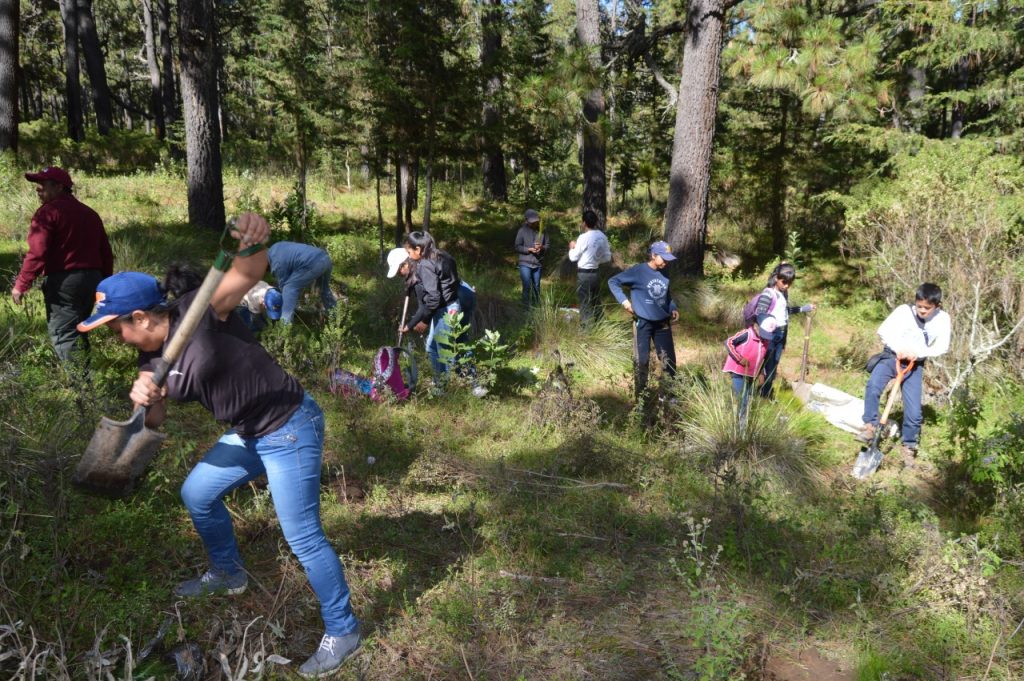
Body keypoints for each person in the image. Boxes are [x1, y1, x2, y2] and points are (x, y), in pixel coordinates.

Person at [75, 214, 360, 678]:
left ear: (141, 317)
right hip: (247, 431)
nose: (115, 336)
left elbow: (247, 274)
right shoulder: (150, 359)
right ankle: (228, 573)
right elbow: (156, 421)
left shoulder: (200, 310)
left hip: (289, 426)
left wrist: (254, 240)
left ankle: (343, 628)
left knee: (302, 536)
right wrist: (145, 398)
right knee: (197, 494)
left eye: (115, 327)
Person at [11, 167, 113, 364]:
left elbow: (37, 252)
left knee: (64, 333)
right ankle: (86, 382)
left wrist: (21, 284)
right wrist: (105, 283)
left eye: (43, 185)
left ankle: (81, 388)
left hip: (64, 282)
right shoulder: (90, 213)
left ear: (59, 187)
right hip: (93, 279)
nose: (38, 190)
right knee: (79, 330)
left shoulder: (47, 213)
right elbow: (105, 253)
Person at [857, 283, 951, 464]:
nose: (922, 311)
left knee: (914, 411)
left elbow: (942, 346)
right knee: (874, 385)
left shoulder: (943, 319)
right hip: (892, 357)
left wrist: (919, 353)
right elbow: (883, 331)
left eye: (927, 308)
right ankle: (870, 426)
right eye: (919, 306)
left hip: (915, 364)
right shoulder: (903, 311)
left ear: (937, 306)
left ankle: (909, 445)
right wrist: (900, 349)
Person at [608, 241, 680, 399]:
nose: (666, 262)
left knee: (669, 361)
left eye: (668, 258)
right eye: (664, 258)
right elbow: (613, 282)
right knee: (643, 361)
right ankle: (642, 398)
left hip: (662, 323)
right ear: (654, 255)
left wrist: (672, 307)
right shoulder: (639, 271)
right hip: (643, 323)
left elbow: (666, 294)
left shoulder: (665, 271)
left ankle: (669, 397)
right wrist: (625, 303)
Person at [397, 233, 463, 379]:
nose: (408, 255)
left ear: (418, 249)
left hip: (446, 308)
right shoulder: (440, 254)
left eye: (409, 252)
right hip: (449, 304)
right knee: (432, 347)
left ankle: (464, 382)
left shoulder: (425, 265)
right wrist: (412, 324)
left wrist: (422, 321)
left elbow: (433, 299)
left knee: (444, 349)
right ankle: (440, 381)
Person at [752, 263, 816, 398]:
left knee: (773, 366)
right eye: (784, 282)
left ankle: (765, 393)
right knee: (766, 366)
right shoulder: (768, 293)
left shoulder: (782, 294)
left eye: (789, 283)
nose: (786, 285)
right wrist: (768, 331)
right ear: (776, 278)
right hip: (770, 336)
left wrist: (803, 308)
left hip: (780, 335)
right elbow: (760, 314)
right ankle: (758, 393)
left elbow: (784, 312)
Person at [267, 241, 336, 324]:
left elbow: (284, 286)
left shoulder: (276, 263)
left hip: (313, 263)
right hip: (325, 258)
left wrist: (284, 302)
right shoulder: (275, 247)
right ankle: (336, 317)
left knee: (289, 289)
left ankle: (284, 328)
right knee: (324, 290)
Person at [723, 317, 778, 418]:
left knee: (748, 399)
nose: (764, 337)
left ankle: (741, 421)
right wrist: (739, 358)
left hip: (751, 374)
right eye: (763, 333)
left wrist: (761, 373)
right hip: (738, 372)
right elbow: (729, 342)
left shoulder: (766, 341)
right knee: (743, 400)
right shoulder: (746, 334)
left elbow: (763, 359)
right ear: (756, 326)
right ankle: (740, 427)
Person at [567, 209, 612, 325]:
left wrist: (572, 247)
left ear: (584, 223)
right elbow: (607, 257)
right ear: (596, 222)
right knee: (596, 301)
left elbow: (573, 257)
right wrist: (595, 259)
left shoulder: (583, 237)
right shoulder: (602, 236)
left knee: (585, 303)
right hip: (596, 273)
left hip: (584, 274)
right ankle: (600, 326)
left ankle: (587, 331)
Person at [514, 209, 549, 306]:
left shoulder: (543, 231)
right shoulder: (522, 231)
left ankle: (536, 306)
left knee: (536, 286)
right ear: (526, 221)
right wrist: (529, 249)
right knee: (527, 285)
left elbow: (547, 245)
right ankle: (525, 307)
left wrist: (541, 248)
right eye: (532, 222)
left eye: (536, 221)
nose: (534, 223)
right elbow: (517, 246)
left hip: (537, 263)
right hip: (525, 263)